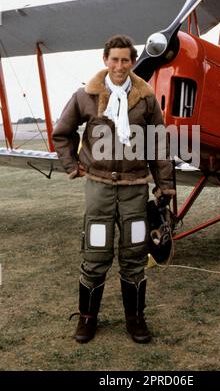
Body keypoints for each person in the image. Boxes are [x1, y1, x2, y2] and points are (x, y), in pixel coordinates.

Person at [52, 35, 175, 344]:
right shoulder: (85, 96)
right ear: (105, 60)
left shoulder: (146, 99)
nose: (120, 65)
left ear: (132, 62)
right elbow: (62, 133)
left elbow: (158, 143)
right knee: (95, 253)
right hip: (99, 188)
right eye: (114, 59)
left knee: (134, 255)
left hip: (135, 189)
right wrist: (71, 166)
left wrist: (164, 186)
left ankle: (135, 320)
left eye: (125, 60)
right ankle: (87, 319)